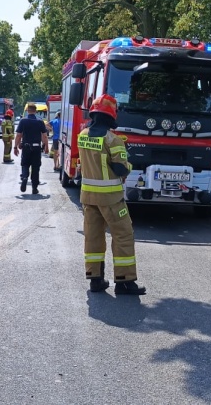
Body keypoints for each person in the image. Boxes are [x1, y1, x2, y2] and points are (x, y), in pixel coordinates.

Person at [78, 95, 145, 295]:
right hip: (111, 198)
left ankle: (95, 279)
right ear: (111, 116)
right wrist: (128, 161)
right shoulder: (113, 139)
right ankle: (125, 282)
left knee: (93, 237)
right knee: (123, 235)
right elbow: (121, 170)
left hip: (88, 197)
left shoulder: (83, 135)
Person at [14, 103, 49, 194]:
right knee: (36, 168)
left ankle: (25, 177)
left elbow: (18, 135)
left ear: (27, 111)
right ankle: (34, 188)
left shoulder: (23, 121)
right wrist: (46, 147)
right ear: (35, 111)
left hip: (26, 147)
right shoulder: (40, 121)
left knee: (25, 164)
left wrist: (15, 147)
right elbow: (44, 136)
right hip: (37, 148)